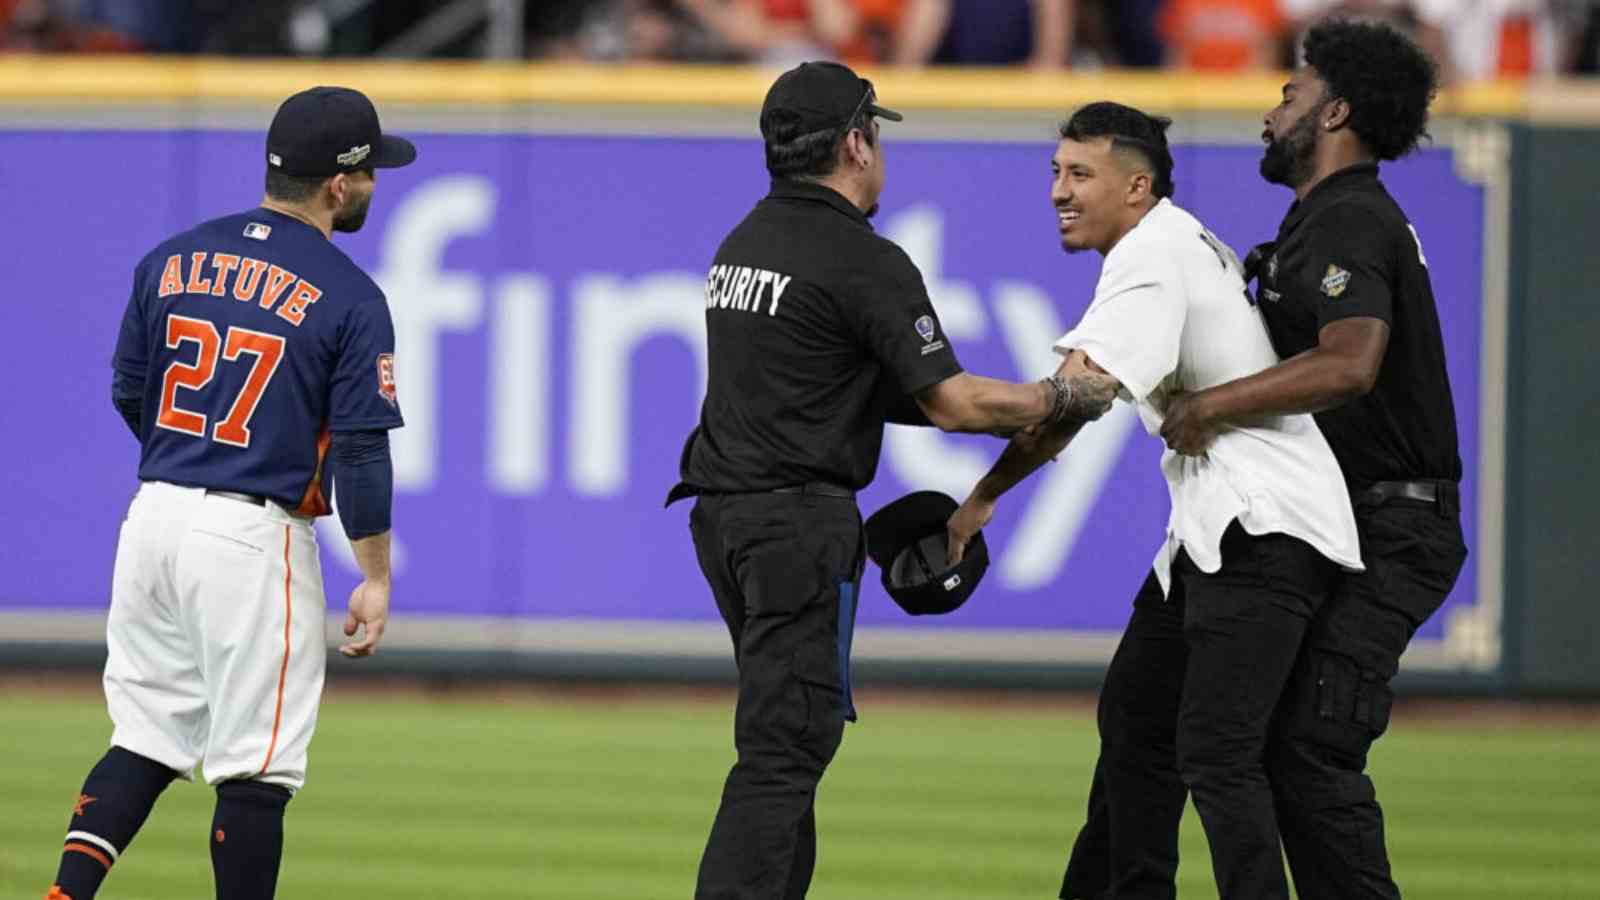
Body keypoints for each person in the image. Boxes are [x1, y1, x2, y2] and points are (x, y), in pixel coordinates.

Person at [668, 61, 1119, 900]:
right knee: (784, 750)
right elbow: (950, 404)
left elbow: (842, 385)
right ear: (854, 142)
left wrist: (1018, 407)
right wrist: (1059, 395)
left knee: (787, 746)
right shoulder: (861, 258)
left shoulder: (744, 242)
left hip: (724, 521)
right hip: (795, 527)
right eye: (876, 134)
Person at [943, 101, 1363, 900]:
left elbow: (1079, 395)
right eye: (1056, 173)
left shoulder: (1151, 253)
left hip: (1265, 525)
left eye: (1080, 174)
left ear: (1136, 187)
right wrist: (991, 490)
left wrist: (981, 491)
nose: (1060, 191)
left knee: (1217, 754)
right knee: (1137, 724)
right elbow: (1085, 401)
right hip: (1216, 532)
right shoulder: (1170, 238)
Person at [43, 86, 413, 900]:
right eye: (371, 173)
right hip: (249, 537)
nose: (376, 186)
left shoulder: (170, 257)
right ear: (338, 185)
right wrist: (375, 576)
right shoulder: (351, 295)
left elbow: (127, 389)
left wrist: (191, 456)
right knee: (257, 768)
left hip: (154, 516)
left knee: (143, 737)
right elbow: (359, 453)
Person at [1160, 19, 1469, 899]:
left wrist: (1207, 407)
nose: (1270, 112)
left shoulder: (1350, 218)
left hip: (1395, 525)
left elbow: (1349, 363)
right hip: (1355, 517)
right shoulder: (1319, 221)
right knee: (1271, 745)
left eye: (1288, 94)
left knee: (1310, 746)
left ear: (1333, 110)